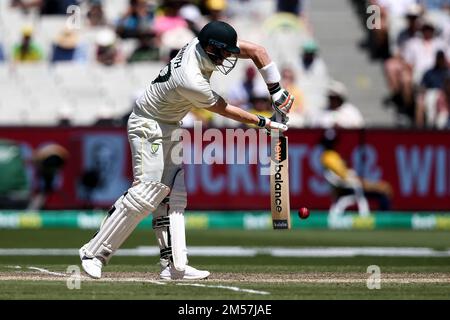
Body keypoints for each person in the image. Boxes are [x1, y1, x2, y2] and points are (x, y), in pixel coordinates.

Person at [79, 20, 294, 280]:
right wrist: (264, 122)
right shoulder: (190, 78)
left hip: (169, 124)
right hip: (148, 124)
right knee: (147, 192)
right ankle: (94, 252)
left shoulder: (204, 44)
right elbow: (223, 108)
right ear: (212, 49)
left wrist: (277, 92)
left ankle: (174, 265)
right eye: (225, 53)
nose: (229, 57)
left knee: (174, 196)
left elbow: (258, 51)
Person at [320, 129, 393, 214]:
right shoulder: (328, 157)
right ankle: (385, 219)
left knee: (383, 189)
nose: (331, 145)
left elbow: (344, 173)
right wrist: (363, 183)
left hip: (350, 184)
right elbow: (343, 175)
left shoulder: (332, 156)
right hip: (349, 187)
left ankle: (383, 217)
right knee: (383, 191)